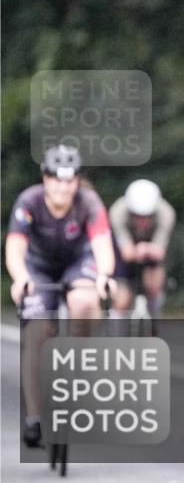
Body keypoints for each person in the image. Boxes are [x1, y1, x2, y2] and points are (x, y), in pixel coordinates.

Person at [5, 145, 116, 447]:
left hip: (78, 263)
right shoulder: (29, 201)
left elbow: (102, 244)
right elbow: (15, 247)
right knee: (36, 332)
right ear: (45, 179)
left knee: (85, 300)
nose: (63, 187)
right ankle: (35, 418)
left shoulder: (89, 202)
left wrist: (104, 276)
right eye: (56, 179)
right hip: (37, 267)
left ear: (77, 181)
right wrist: (21, 278)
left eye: (69, 180)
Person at [108, 179, 175, 318]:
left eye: (147, 216)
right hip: (124, 253)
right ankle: (114, 326)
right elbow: (126, 252)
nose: (142, 221)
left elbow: (160, 250)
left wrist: (146, 249)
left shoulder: (166, 213)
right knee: (121, 300)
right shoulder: (117, 212)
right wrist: (137, 250)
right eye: (137, 216)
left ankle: (153, 317)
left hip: (151, 252)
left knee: (154, 285)